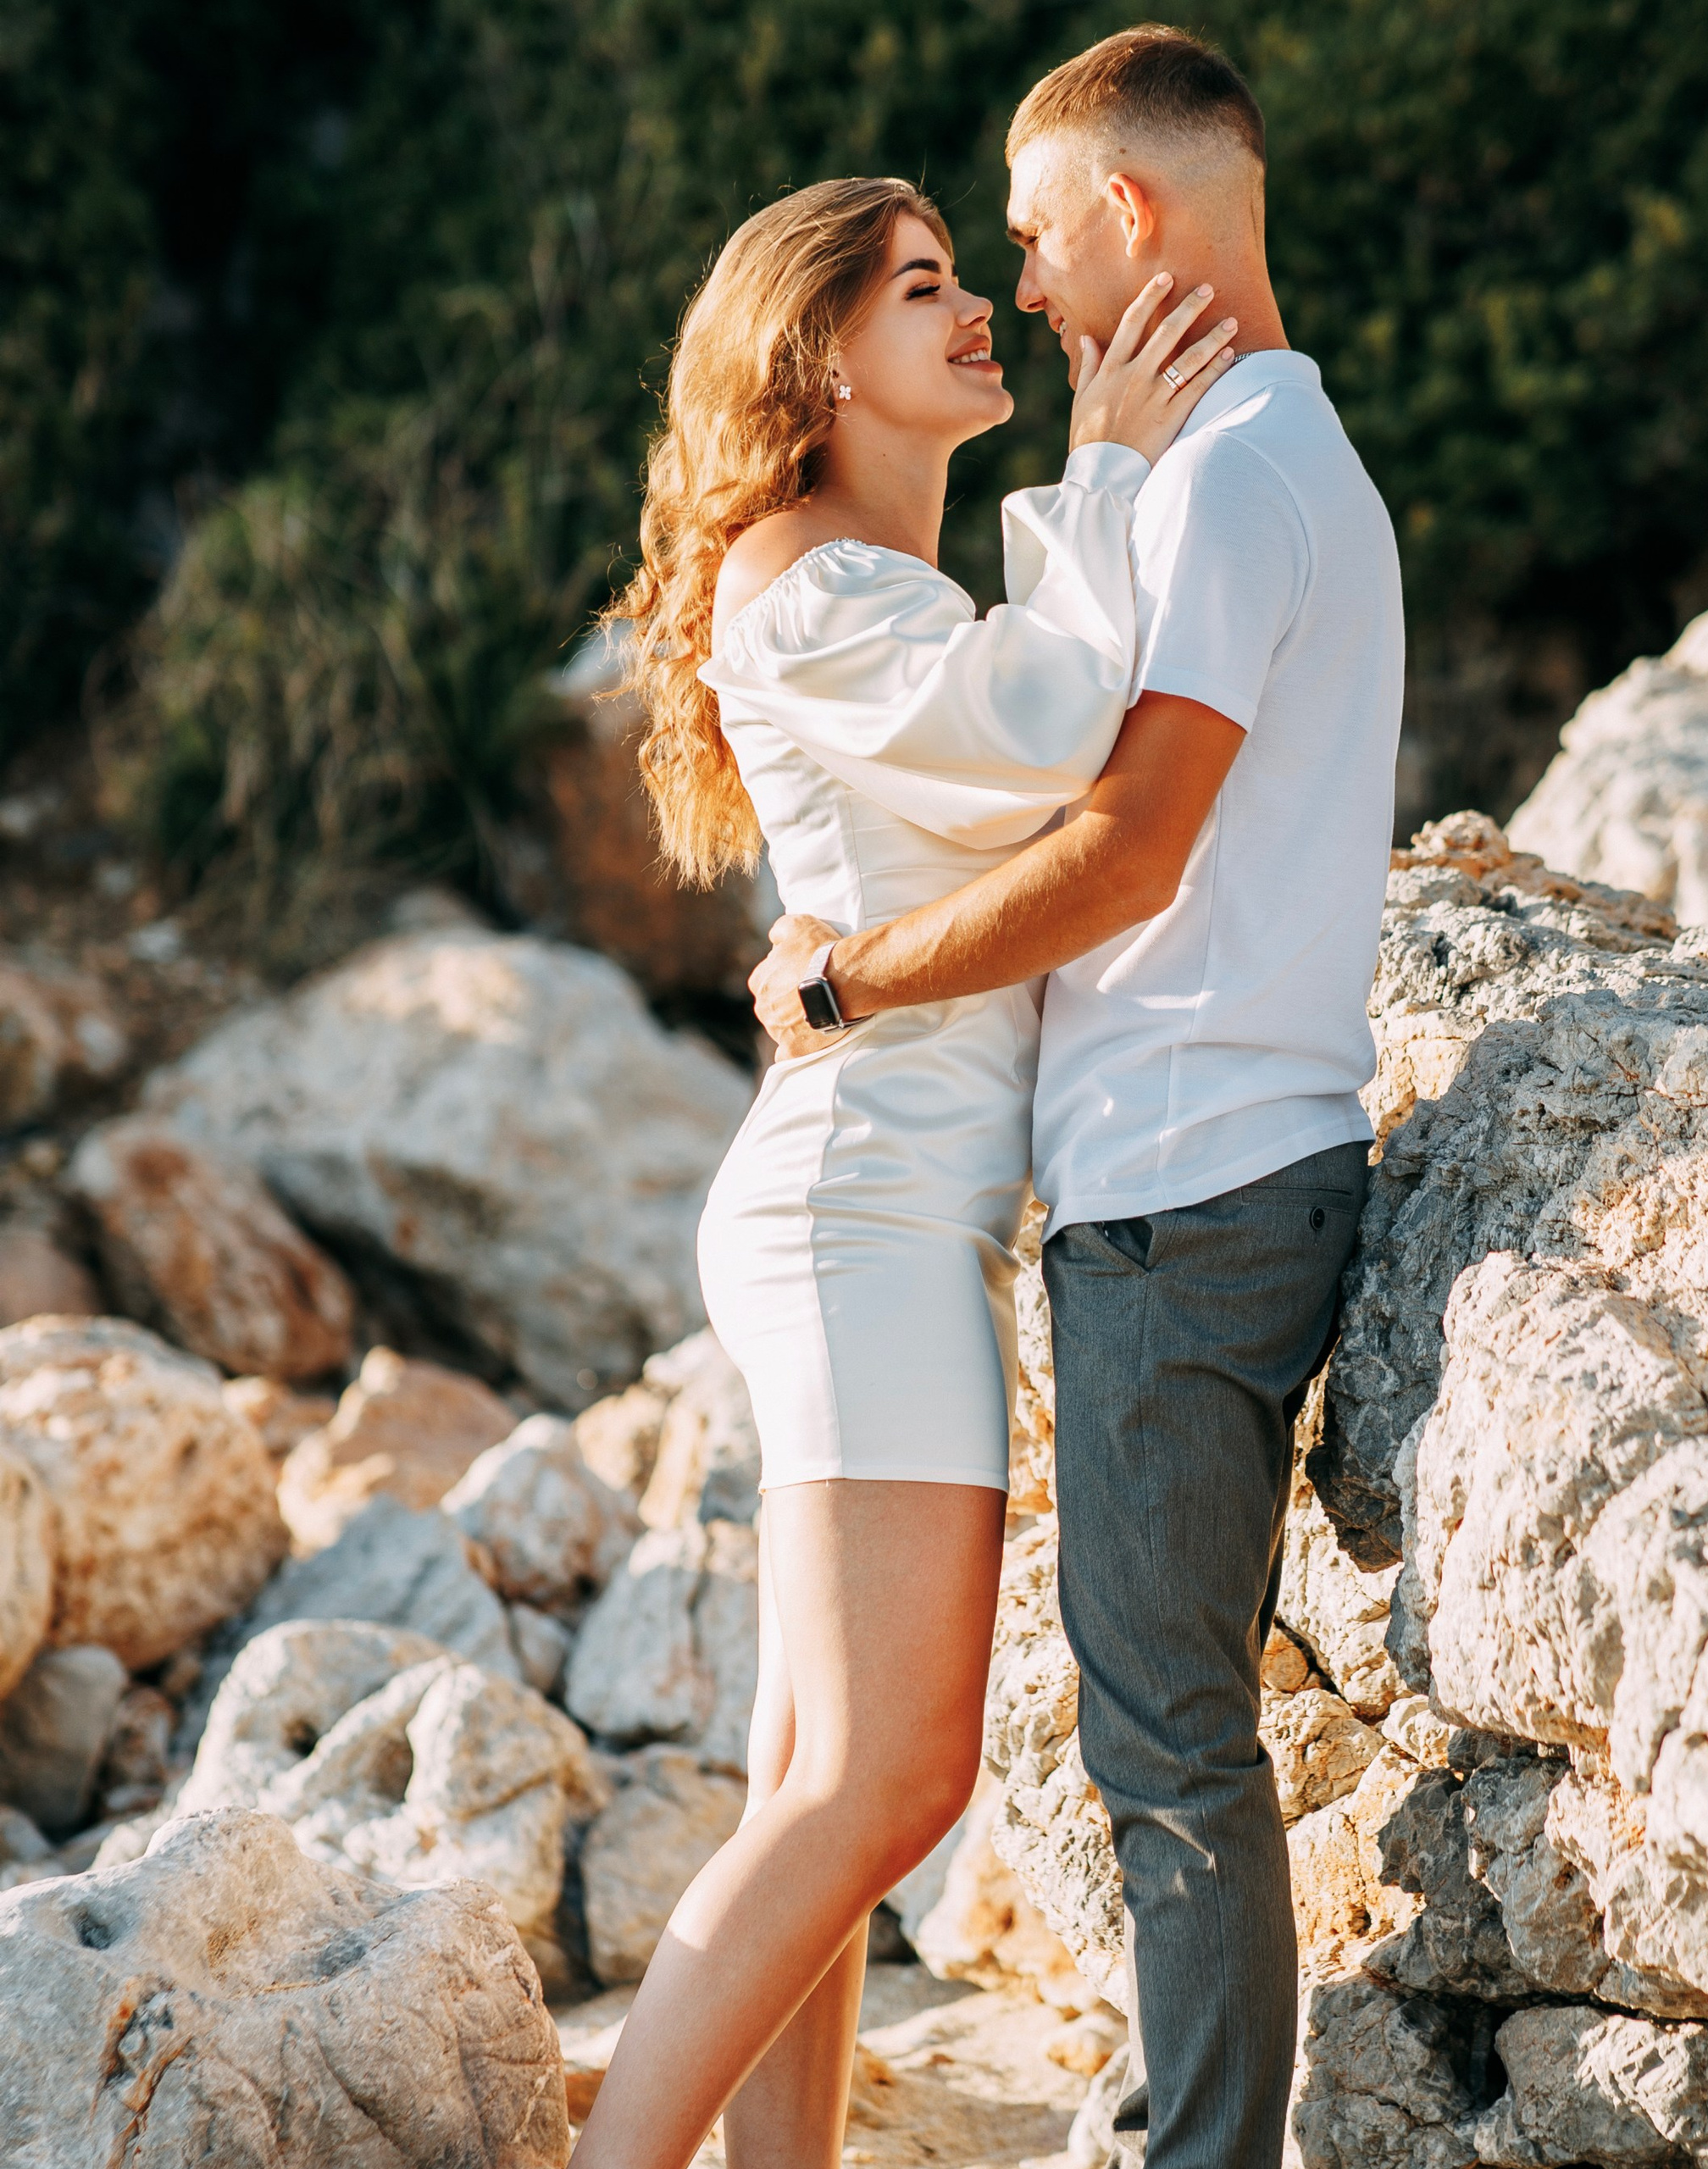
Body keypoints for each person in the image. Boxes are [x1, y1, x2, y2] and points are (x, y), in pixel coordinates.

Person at [752, 29, 1404, 2169]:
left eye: (1026, 237)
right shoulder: (1288, 457)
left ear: (1132, 214)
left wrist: (846, 978)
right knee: (1156, 1730)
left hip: (1186, 1178)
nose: (1021, 289)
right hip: (1213, 1157)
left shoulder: (1224, 478)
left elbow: (1119, 845)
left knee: (1165, 1744)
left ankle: (1186, 2154)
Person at [567, 176, 1239, 2169]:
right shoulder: (813, 575)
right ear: (811, 353)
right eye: (926, 289)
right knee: (886, 1774)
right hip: (860, 1209)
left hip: (868, 1204)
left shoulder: (859, 574)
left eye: (968, 280)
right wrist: (1110, 469)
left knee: (814, 1769)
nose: (980, 319)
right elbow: (1050, 725)